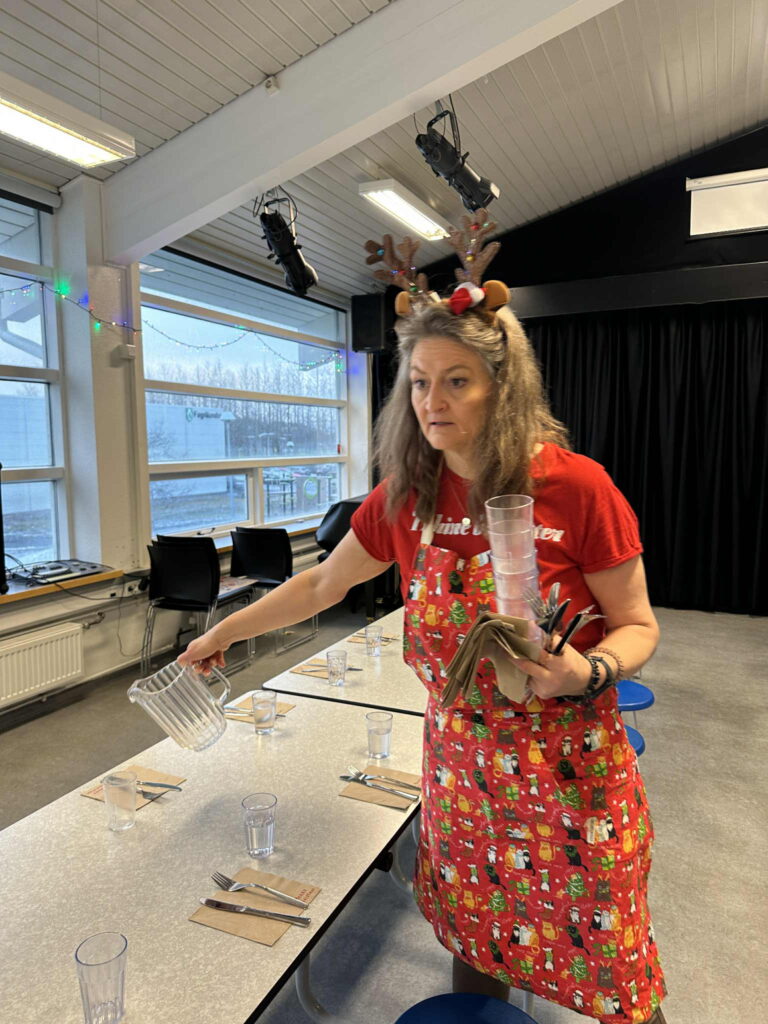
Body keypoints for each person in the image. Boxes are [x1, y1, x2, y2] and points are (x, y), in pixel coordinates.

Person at [179, 231, 666, 1023]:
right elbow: (322, 584)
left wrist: (590, 670)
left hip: (569, 773)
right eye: (419, 383)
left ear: (502, 387)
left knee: (613, 965)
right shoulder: (407, 497)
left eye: (457, 381)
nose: (433, 402)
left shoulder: (576, 488)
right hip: (463, 773)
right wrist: (223, 634)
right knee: (479, 941)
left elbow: (638, 625)